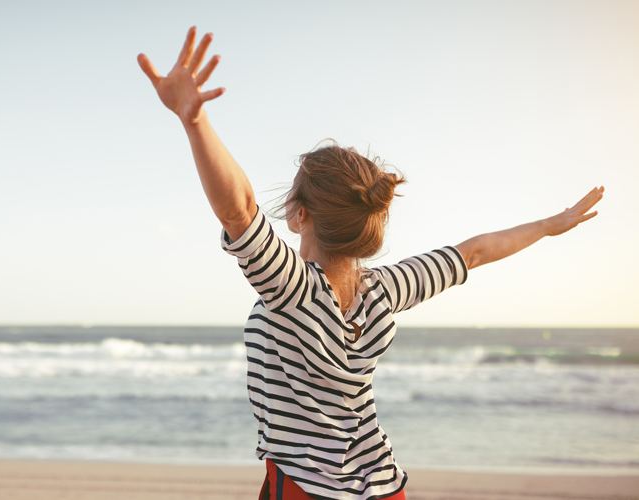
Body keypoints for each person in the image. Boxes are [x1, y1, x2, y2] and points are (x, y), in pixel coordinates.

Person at [137, 27, 604, 500]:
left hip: (305, 489)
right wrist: (548, 225)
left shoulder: (291, 288)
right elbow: (474, 252)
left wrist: (195, 123)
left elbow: (238, 209)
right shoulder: (386, 290)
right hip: (383, 485)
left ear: (300, 216)